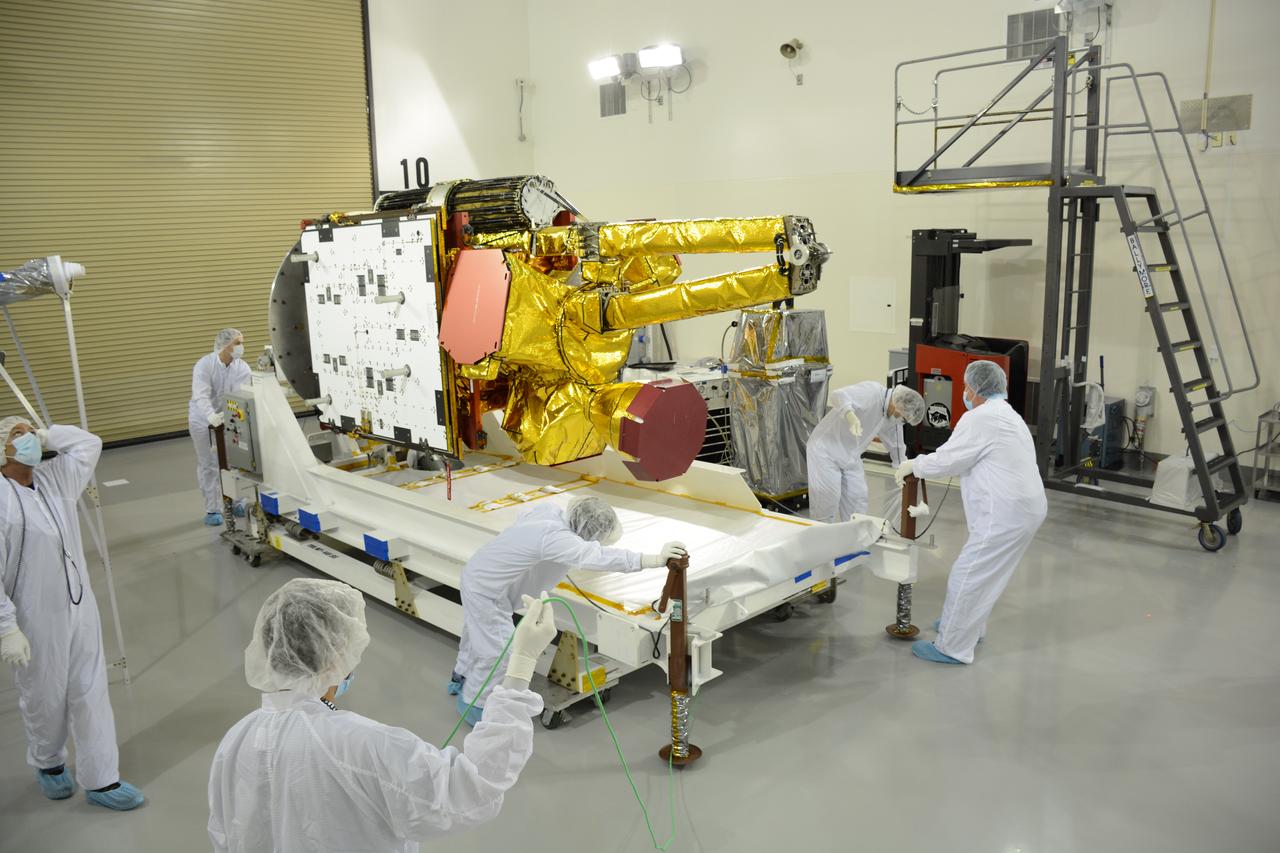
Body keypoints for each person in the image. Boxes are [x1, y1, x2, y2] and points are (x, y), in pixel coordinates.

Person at [208, 577, 557, 852]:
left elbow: (224, 835)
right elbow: (468, 789)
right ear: (336, 655)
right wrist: (521, 665)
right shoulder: (362, 745)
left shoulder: (235, 740)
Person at [0, 416, 144, 809]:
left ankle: (102, 780)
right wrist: (7, 628)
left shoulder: (54, 479)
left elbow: (89, 444)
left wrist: (48, 435)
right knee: (44, 693)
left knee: (91, 688)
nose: (29, 438)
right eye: (18, 434)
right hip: (34, 616)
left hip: (80, 607)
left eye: (32, 431)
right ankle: (48, 763)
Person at [451, 496, 685, 724]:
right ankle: (476, 707)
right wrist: (654, 560)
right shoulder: (557, 539)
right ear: (589, 533)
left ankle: (460, 677)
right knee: (499, 654)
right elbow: (595, 556)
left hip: (479, 575)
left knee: (476, 637)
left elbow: (526, 525)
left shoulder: (548, 512)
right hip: (488, 593)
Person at [894, 360, 1047, 664]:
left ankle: (953, 646)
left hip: (1004, 514)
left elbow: (950, 459)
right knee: (987, 575)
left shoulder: (981, 418)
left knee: (968, 575)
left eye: (966, 386)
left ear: (978, 389)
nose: (964, 392)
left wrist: (915, 465)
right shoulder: (1008, 415)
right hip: (1026, 509)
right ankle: (967, 627)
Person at [806, 382, 926, 523]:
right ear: (898, 405)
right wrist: (850, 415)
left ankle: (853, 535)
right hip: (825, 450)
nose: (901, 421)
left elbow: (897, 447)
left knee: (858, 499)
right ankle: (820, 535)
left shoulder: (892, 418)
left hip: (851, 454)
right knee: (826, 501)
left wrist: (903, 471)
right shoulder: (872, 393)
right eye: (904, 418)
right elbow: (837, 395)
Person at [189, 327, 250, 526]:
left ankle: (238, 500)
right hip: (201, 418)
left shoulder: (242, 367)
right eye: (237, 343)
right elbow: (201, 395)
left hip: (228, 417)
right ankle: (213, 509)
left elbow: (241, 394)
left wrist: (233, 417)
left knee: (235, 460)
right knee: (208, 464)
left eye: (241, 343)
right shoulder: (205, 365)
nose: (241, 347)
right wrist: (210, 416)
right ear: (225, 345)